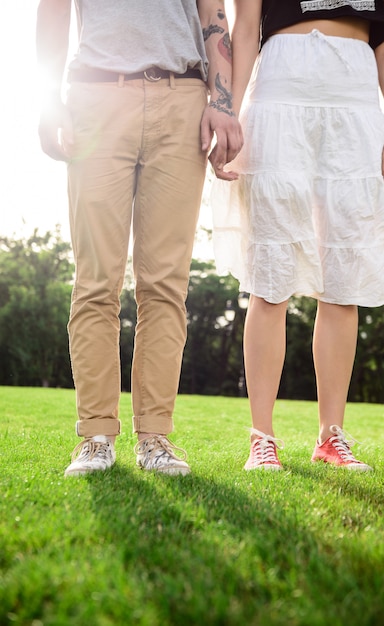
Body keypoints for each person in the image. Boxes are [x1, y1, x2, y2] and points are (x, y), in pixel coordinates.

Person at [36, 0, 242, 477]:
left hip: (183, 97)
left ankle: (154, 437)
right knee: (96, 279)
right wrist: (50, 101)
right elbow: (52, 7)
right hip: (95, 94)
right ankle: (96, 436)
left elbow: (215, 16)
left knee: (166, 283)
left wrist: (222, 103)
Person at [212, 0, 384, 471]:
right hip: (279, 99)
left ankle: (331, 438)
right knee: (271, 277)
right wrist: (230, 114)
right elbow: (245, 32)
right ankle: (261, 438)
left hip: (356, 109)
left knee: (342, 281)